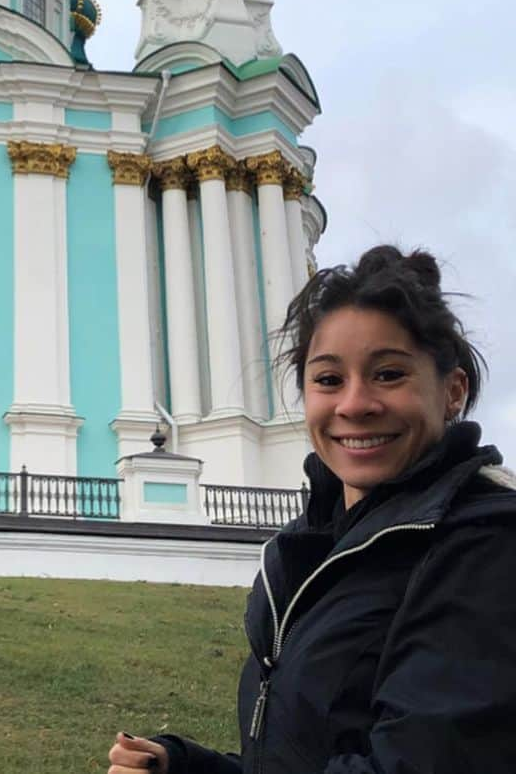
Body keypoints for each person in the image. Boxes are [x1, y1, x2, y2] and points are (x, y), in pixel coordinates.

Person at [107, 244, 516, 774]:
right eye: (328, 379)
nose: (354, 404)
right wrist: (185, 766)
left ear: (452, 391)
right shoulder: (310, 548)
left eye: (389, 374)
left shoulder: (483, 545)